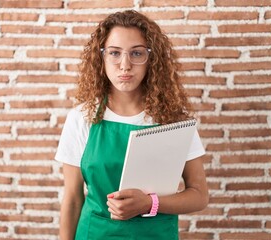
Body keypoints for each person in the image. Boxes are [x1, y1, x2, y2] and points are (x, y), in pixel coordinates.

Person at [55, 10, 209, 240]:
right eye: (115, 53)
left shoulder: (175, 120)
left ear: (152, 59)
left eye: (136, 53)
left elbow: (199, 196)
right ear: (102, 58)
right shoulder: (81, 117)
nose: (125, 65)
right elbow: (73, 199)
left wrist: (149, 203)